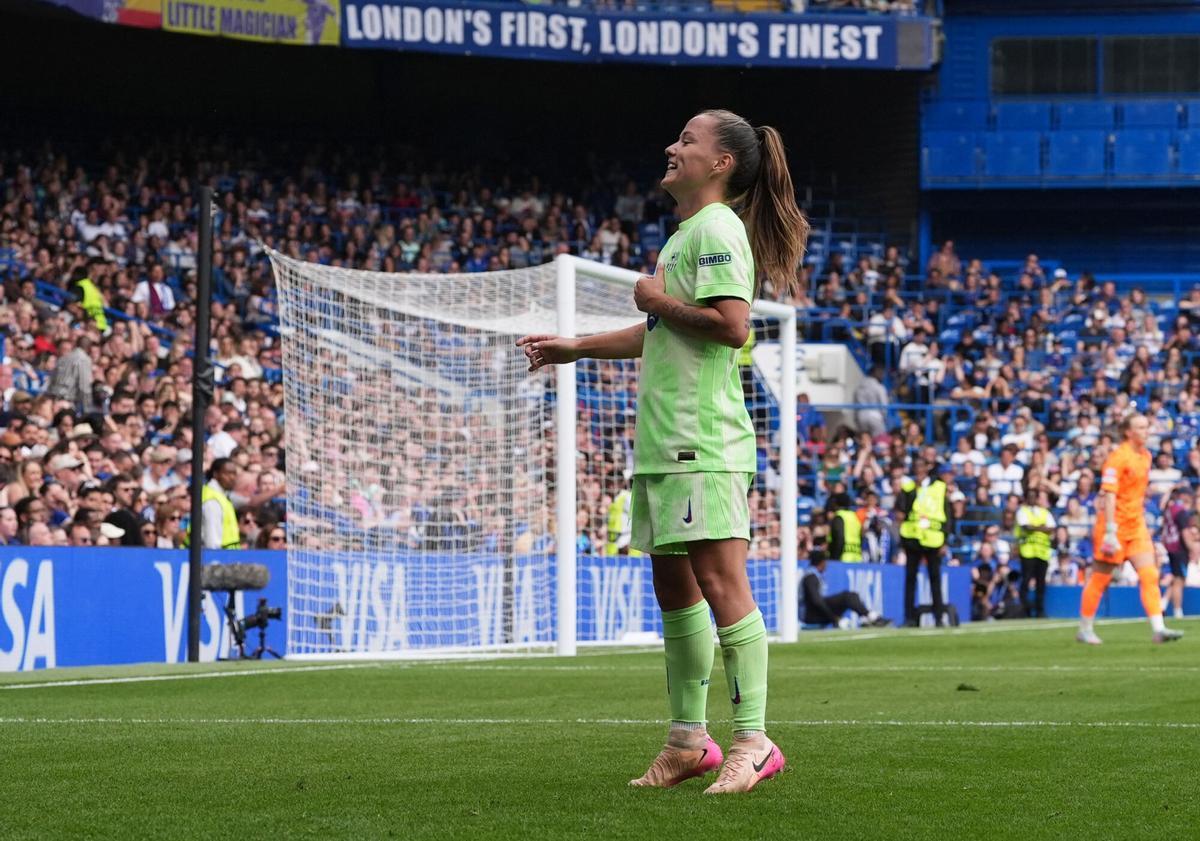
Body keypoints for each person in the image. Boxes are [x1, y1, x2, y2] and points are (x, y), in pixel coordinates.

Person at [517, 110, 807, 794]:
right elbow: (664, 329)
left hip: (701, 438)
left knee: (720, 583)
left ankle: (754, 739)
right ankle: (687, 740)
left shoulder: (716, 228)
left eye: (687, 140)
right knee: (674, 587)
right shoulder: (687, 234)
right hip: (666, 440)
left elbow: (731, 327)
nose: (671, 147)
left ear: (722, 163)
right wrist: (576, 347)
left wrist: (653, 296)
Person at [1077, 414, 1182, 644]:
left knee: (1150, 574)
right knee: (1100, 578)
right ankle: (1084, 629)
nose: (1147, 431)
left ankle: (1159, 628)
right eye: (1141, 427)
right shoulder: (1118, 458)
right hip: (1113, 526)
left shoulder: (1145, 455)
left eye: (1147, 427)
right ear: (1128, 432)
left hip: (1136, 525)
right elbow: (1110, 495)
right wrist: (1111, 531)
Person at [904, 462, 953, 626]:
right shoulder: (909, 487)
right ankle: (909, 618)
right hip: (912, 538)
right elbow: (903, 509)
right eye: (916, 470)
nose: (919, 473)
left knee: (935, 579)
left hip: (933, 539)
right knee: (910, 579)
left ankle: (938, 617)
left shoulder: (939, 488)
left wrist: (945, 540)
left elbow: (947, 514)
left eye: (921, 470)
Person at [800, 551, 889, 628]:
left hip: (814, 613)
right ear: (822, 562)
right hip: (811, 616)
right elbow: (816, 601)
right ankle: (871, 617)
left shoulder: (813, 575)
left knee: (851, 596)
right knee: (847, 597)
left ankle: (867, 617)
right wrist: (835, 619)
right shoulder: (811, 577)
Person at [1015, 487, 1055, 618]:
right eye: (1029, 496)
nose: (1032, 499)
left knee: (1041, 582)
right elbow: (1025, 526)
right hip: (1027, 552)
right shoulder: (1023, 511)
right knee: (1025, 581)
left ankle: (1040, 610)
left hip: (1042, 552)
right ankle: (1024, 609)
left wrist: (1034, 527)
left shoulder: (1044, 512)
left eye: (1034, 496)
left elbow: (1051, 528)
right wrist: (1042, 527)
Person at [1160, 486, 1195, 620]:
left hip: (1171, 546)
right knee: (1179, 580)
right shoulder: (1181, 512)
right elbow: (1185, 532)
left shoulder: (1170, 509)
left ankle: (1163, 604)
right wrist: (1192, 548)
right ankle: (1177, 610)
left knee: (1176, 578)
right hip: (1179, 548)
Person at [196, 457, 242, 550]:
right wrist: (215, 557)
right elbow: (211, 538)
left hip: (228, 556)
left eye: (234, 474)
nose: (232, 477)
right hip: (219, 558)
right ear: (216, 474)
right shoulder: (212, 500)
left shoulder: (221, 496)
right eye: (228, 473)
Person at [826, 492, 862, 563]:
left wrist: (835, 557)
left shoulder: (839, 516)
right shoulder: (855, 517)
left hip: (843, 557)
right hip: (856, 556)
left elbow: (839, 537)